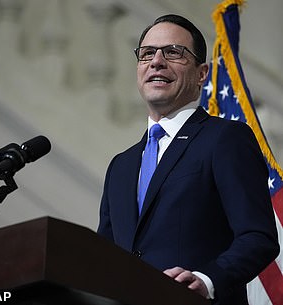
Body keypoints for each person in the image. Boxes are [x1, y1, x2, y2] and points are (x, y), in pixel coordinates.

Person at [97, 14, 279, 305]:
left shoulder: (225, 139)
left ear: (201, 73)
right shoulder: (121, 166)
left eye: (173, 52)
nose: (156, 61)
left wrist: (207, 281)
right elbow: (103, 259)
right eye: (147, 54)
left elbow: (258, 237)